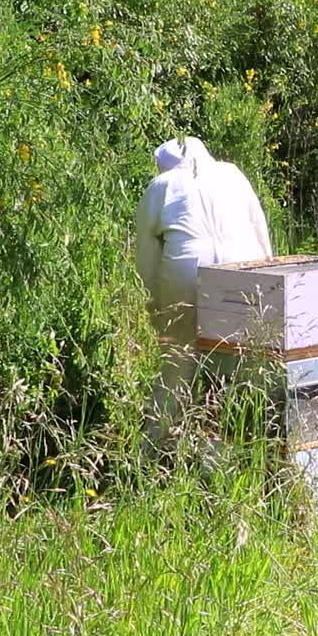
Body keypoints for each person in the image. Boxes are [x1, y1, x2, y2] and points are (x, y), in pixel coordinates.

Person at [134, 136, 274, 451]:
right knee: (240, 368)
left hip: (186, 278)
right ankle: (232, 449)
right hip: (245, 274)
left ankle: (151, 453)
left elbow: (146, 259)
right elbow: (261, 233)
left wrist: (156, 308)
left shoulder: (161, 186)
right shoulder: (233, 174)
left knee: (178, 365)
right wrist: (269, 286)